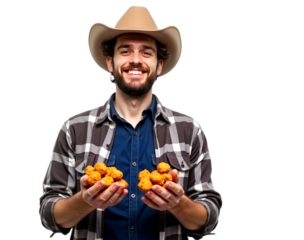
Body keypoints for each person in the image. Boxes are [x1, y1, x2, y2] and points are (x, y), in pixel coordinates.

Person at [39, 4, 222, 240]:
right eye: (125, 51)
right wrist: (84, 201)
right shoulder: (74, 128)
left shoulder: (190, 130)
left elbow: (209, 216)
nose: (135, 60)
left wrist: (177, 204)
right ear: (110, 63)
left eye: (146, 52)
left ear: (158, 66)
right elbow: (49, 214)